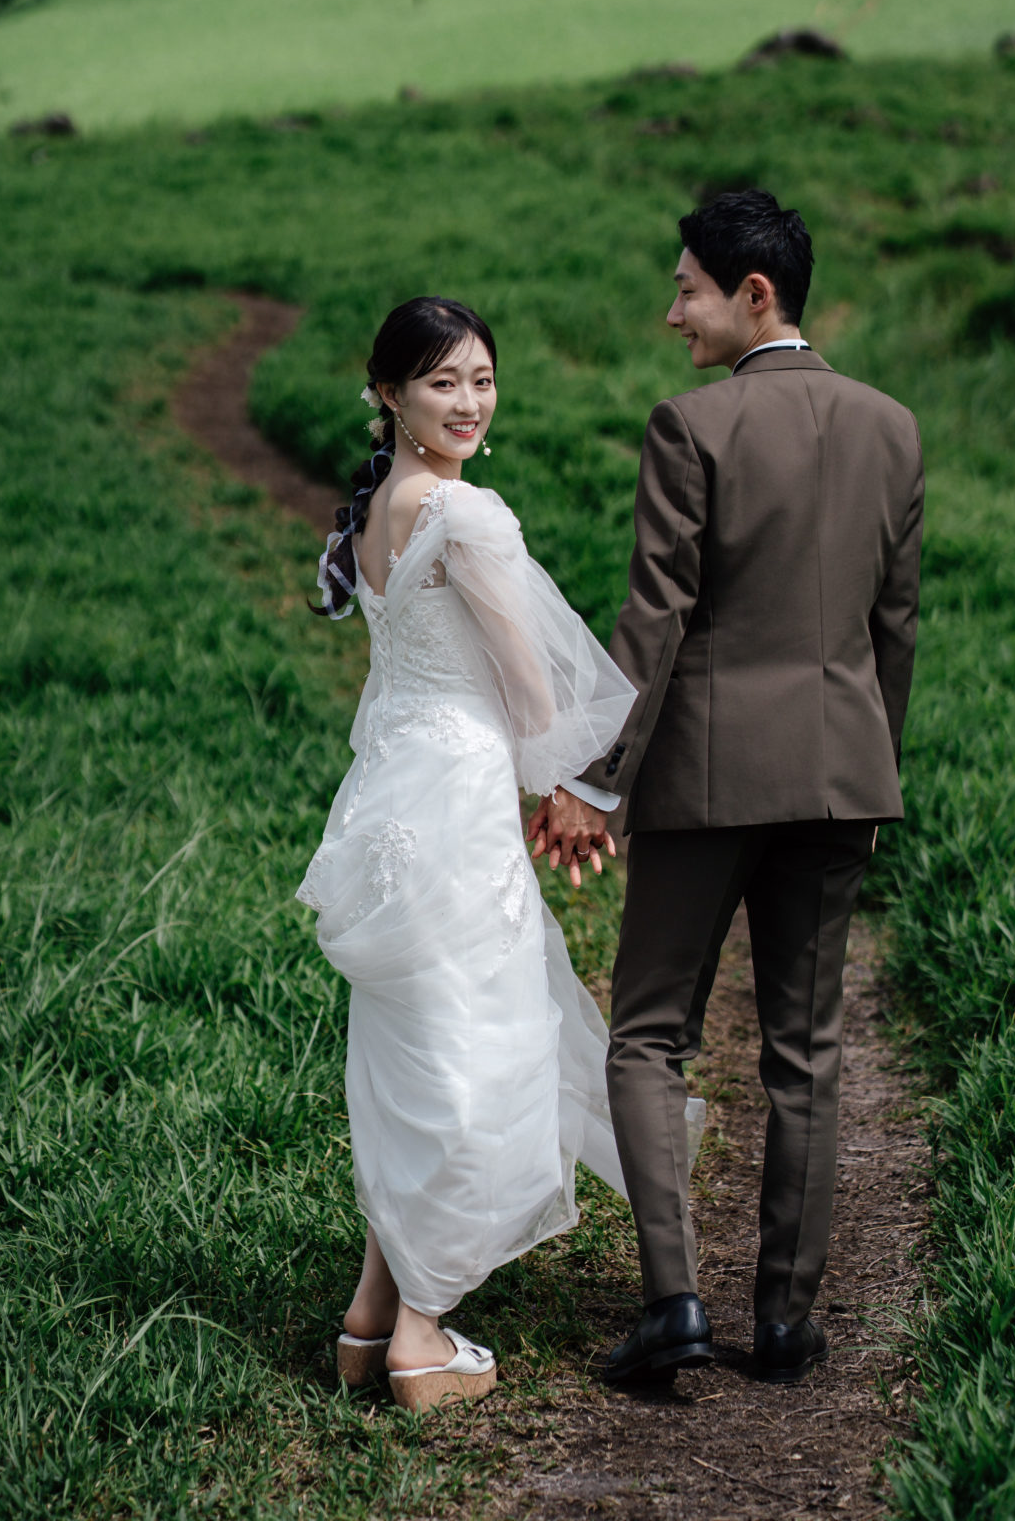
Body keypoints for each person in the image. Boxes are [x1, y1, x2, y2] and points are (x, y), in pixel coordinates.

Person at [530, 188, 924, 1386]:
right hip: (841, 775)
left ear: (756, 294)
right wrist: (867, 762)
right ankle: (789, 1321)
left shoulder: (689, 425)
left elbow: (654, 621)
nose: (671, 312)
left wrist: (594, 780)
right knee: (807, 1049)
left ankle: (674, 1307)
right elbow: (893, 626)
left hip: (704, 778)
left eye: (687, 287)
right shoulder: (892, 426)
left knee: (647, 1034)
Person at [298, 296, 703, 1411]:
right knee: (481, 1050)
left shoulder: (379, 506)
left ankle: (370, 1315)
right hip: (457, 796)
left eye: (480, 377)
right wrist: (583, 792)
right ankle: (424, 1338)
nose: (468, 400)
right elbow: (536, 699)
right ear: (387, 393)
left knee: (413, 1046)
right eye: (441, 381)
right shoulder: (469, 516)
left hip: (389, 794)